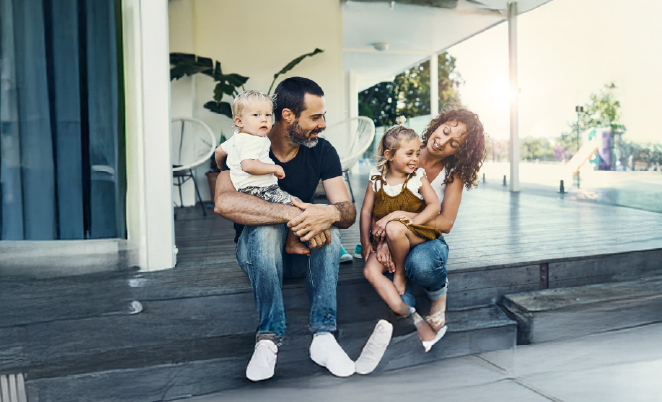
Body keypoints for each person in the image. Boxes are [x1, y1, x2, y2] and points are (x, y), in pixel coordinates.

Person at [214, 77, 357, 382]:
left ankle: (324, 337)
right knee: (267, 230)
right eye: (315, 117)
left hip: (302, 252)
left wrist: (327, 213)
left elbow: (346, 210)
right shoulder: (242, 144)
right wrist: (293, 214)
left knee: (330, 235)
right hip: (257, 253)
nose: (323, 125)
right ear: (289, 116)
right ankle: (268, 338)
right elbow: (224, 202)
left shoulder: (322, 151)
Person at [359, 109, 486, 369]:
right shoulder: (402, 154)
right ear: (438, 124)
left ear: (458, 152)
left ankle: (438, 294)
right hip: (392, 237)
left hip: (427, 238)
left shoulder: (452, 173)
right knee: (380, 270)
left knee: (421, 263)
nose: (443, 141)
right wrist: (378, 240)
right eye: (445, 131)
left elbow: (445, 222)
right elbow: (375, 207)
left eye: (454, 143)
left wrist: (401, 218)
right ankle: (412, 320)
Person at [214, 90, 308, 255]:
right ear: (239, 121)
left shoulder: (236, 138)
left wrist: (222, 168)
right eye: (256, 115)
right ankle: (291, 244)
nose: (264, 119)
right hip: (261, 190)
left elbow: (218, 152)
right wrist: (275, 168)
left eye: (268, 114)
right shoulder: (254, 140)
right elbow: (248, 165)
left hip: (244, 191)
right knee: (299, 206)